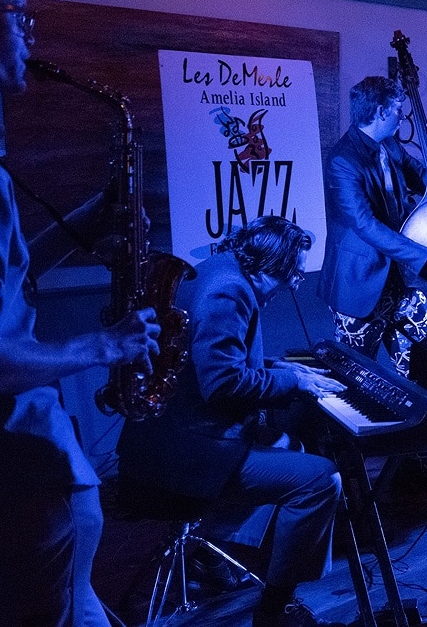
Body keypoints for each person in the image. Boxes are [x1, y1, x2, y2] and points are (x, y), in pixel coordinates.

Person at [0, 0, 162, 625]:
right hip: (14, 482)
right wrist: (107, 346)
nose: (30, 32)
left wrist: (88, 220)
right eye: (17, 14)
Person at [118, 216, 345, 627]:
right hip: (186, 451)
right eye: (293, 272)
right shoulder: (229, 290)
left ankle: (210, 550)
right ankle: (275, 608)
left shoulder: (216, 268)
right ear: (270, 263)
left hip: (162, 436)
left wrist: (286, 370)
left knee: (289, 446)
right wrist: (293, 381)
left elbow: (218, 362)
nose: (296, 283)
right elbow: (223, 383)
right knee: (321, 480)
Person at [317, 76, 427, 488]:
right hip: (359, 286)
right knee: (354, 379)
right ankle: (350, 471)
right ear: (381, 112)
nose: (404, 117)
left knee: (412, 370)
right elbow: (365, 225)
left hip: (399, 285)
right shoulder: (342, 160)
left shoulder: (393, 147)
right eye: (398, 111)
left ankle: (409, 457)